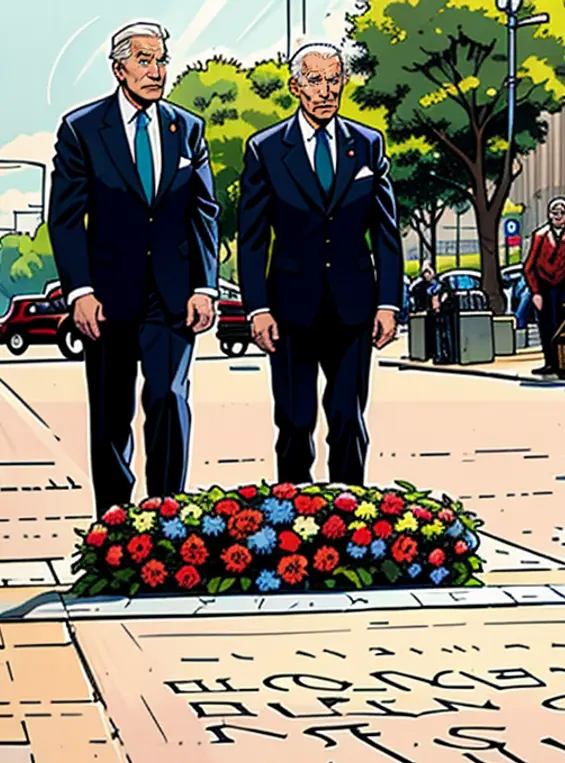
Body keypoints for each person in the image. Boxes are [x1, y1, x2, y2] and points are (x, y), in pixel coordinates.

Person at [48, 21, 220, 515]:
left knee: (168, 398)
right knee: (111, 416)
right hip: (106, 298)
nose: (156, 70)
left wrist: (204, 286)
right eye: (144, 60)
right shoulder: (82, 129)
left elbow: (203, 212)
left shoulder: (188, 130)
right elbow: (64, 218)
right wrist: (79, 291)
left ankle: (166, 520)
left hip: (172, 296)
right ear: (119, 67)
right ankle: (113, 526)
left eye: (162, 60)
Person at [238, 42, 402, 485]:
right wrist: (257, 308)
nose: (326, 91)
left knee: (348, 418)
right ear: (295, 87)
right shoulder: (266, 149)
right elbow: (252, 238)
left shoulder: (368, 145)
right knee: (294, 422)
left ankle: (350, 517)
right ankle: (293, 520)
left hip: (353, 308)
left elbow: (386, 231)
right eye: (315, 81)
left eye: (334, 80)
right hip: (290, 309)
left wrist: (389, 303)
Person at [524, 197, 565, 376]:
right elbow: (529, 266)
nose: (557, 216)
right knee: (546, 326)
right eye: (554, 212)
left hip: (564, 287)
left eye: (562, 213)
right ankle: (549, 362)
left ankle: (562, 363)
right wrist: (535, 292)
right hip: (543, 288)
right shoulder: (540, 236)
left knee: (563, 326)